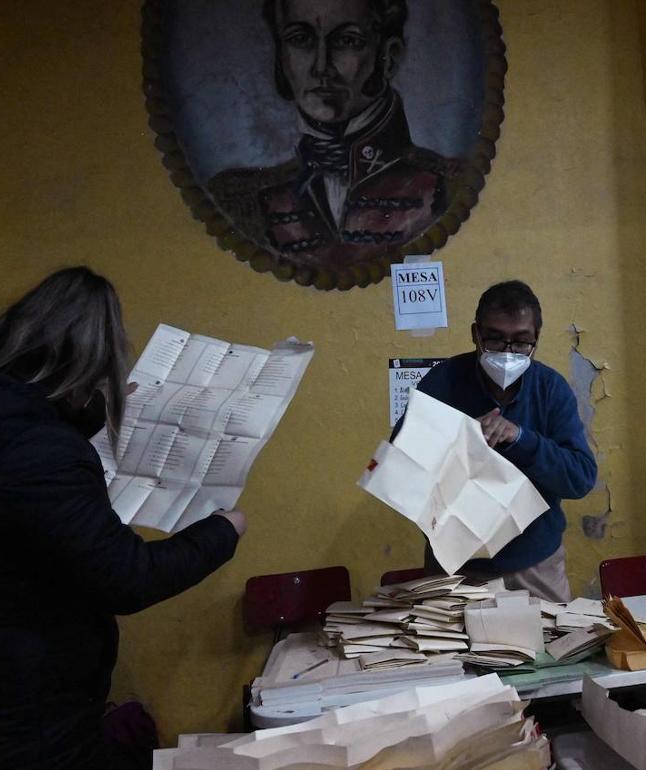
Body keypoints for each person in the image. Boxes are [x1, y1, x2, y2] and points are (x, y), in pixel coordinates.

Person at [0, 267, 247, 769]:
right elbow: (128, 578)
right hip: (14, 735)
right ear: (95, 361)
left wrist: (82, 415)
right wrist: (224, 530)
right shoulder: (32, 451)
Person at [207, 0, 461, 270]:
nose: (321, 66)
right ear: (281, 56)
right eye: (301, 39)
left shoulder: (449, 184)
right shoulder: (240, 200)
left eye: (347, 41)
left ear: (389, 57)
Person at [403, 280, 597, 602]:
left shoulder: (550, 389)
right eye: (495, 339)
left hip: (534, 561)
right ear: (475, 334)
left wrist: (519, 438)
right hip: (455, 564)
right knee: (450, 652)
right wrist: (457, 439)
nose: (508, 353)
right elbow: (402, 465)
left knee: (550, 649)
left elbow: (580, 478)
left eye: (521, 342)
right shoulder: (442, 382)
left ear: (537, 339)